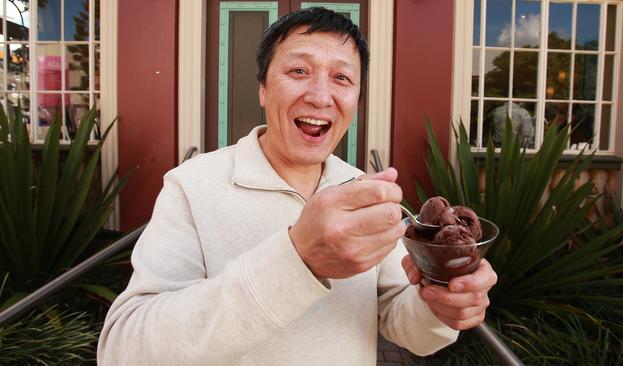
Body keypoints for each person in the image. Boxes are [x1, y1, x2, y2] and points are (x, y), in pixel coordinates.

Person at [98, 7, 497, 365]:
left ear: (356, 98)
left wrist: (439, 307)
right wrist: (298, 258)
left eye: (342, 77)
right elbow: (123, 350)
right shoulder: (191, 185)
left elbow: (398, 317)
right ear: (263, 89)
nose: (321, 96)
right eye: (299, 71)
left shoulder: (360, 188)